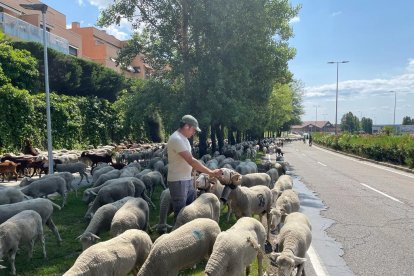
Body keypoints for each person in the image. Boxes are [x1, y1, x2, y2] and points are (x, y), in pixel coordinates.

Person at [167, 115, 222, 221]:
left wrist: (193, 173)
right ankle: (179, 236)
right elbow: (191, 160)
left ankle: (189, 234)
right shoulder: (176, 139)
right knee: (180, 214)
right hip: (178, 181)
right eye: (194, 129)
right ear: (187, 126)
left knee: (190, 210)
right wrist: (211, 172)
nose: (194, 133)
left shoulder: (184, 139)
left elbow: (188, 161)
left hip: (186, 179)